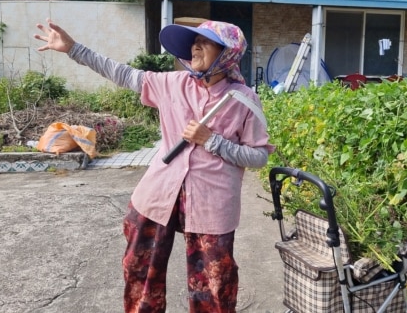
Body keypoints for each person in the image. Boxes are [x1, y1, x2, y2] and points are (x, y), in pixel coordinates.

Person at [34, 18, 275, 313]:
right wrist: (73, 49)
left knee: (214, 285)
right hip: (159, 193)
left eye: (205, 42)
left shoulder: (244, 100)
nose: (195, 47)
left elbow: (259, 156)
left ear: (228, 53)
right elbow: (122, 73)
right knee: (140, 272)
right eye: (193, 42)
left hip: (213, 202)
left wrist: (212, 142)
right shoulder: (171, 84)